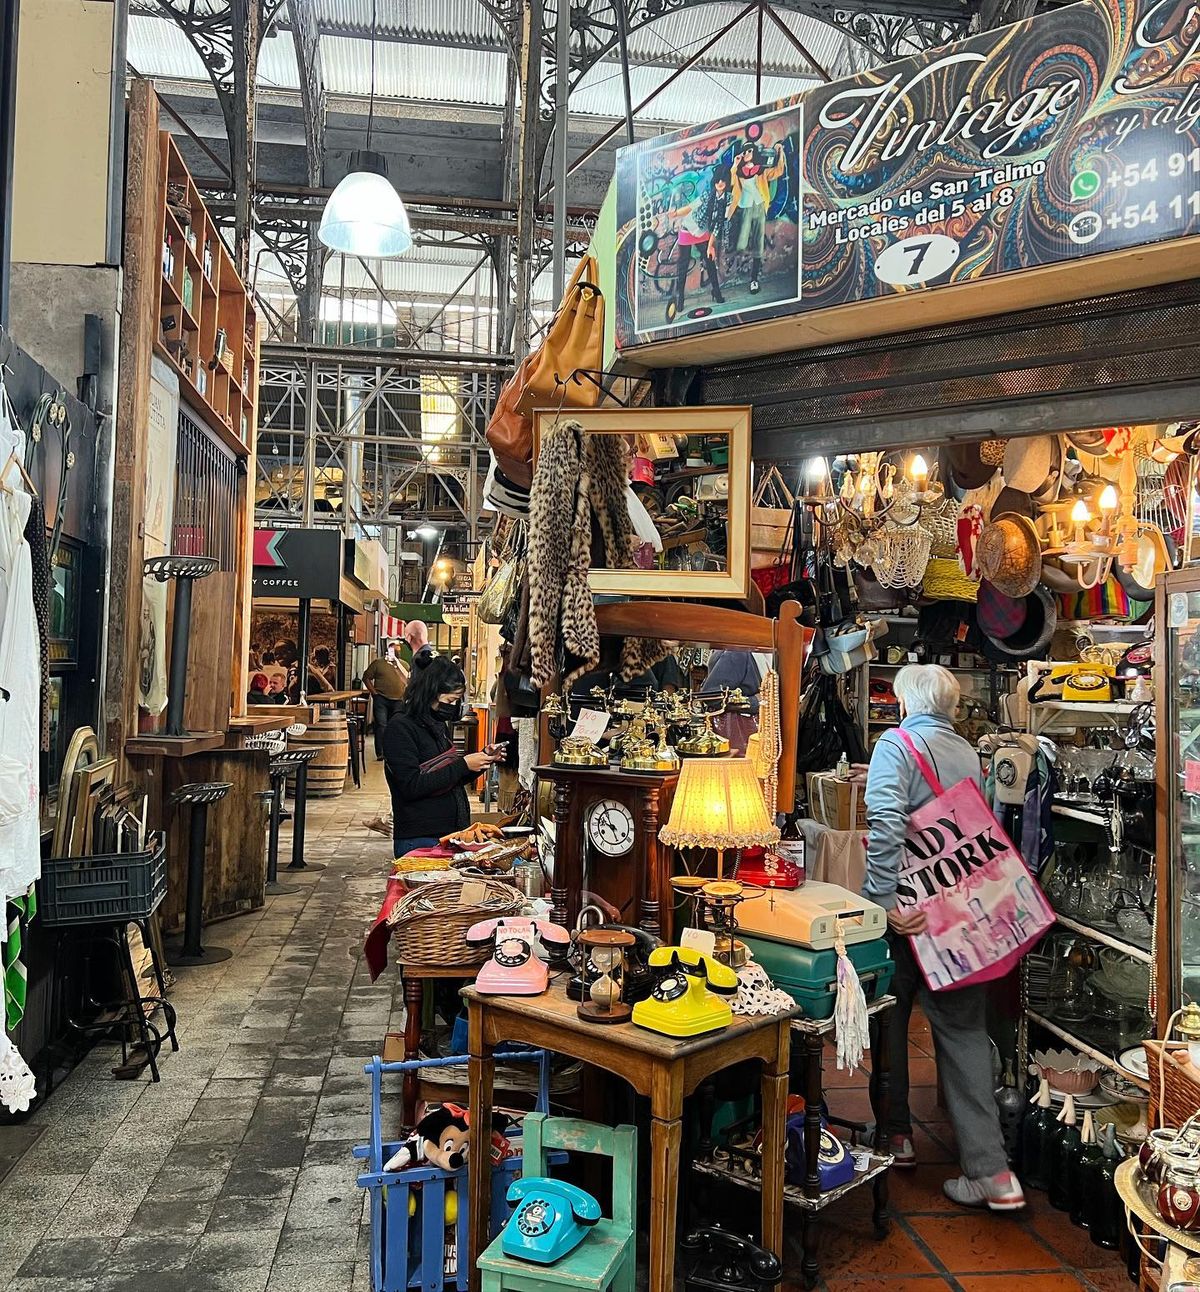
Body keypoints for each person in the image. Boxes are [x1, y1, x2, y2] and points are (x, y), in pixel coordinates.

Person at [862, 663, 1025, 1212]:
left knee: (889, 1019)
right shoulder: (966, 752)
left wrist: (882, 900)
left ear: (905, 702)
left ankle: (896, 1137)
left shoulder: (897, 744)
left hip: (906, 912)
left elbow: (885, 819)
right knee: (963, 1034)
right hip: (957, 919)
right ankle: (994, 1174)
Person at [382, 655, 501, 857]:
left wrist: (481, 760)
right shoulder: (400, 728)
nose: (452, 707)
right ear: (432, 692)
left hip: (447, 835)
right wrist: (463, 765)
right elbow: (411, 786)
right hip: (419, 838)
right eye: (450, 700)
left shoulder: (435, 724)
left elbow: (446, 777)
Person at [363, 640, 409, 760]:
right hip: (381, 699)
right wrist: (374, 693)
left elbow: (409, 681)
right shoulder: (378, 663)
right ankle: (381, 753)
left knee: (396, 726)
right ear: (388, 650)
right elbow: (366, 677)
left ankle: (394, 751)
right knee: (382, 725)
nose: (397, 651)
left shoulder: (404, 665)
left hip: (399, 700)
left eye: (399, 649)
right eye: (394, 649)